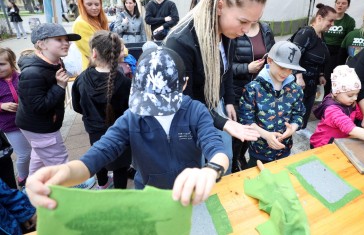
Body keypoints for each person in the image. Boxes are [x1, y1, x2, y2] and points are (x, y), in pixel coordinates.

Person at [26, 46, 229, 209]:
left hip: (190, 194)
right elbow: (97, 155)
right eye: (150, 100)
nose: (156, 109)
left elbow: (216, 147)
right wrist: (63, 173)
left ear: (184, 84)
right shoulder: (132, 118)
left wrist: (211, 170)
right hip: (149, 196)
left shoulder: (196, 111)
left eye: (164, 100)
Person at [164, 0, 265, 172]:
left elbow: (225, 70)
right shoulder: (180, 42)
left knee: (224, 160)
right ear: (220, 6)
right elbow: (184, 104)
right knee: (200, 167)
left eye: (253, 23)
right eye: (243, 21)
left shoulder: (229, 33)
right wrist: (222, 122)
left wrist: (228, 100)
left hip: (215, 106)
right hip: (189, 116)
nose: (246, 30)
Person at [15, 24, 96, 189]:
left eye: (66, 39)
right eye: (59, 39)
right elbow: (38, 106)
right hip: (41, 127)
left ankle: (30, 188)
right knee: (58, 158)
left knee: (38, 157)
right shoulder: (32, 73)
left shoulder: (56, 62)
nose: (65, 43)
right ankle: (71, 186)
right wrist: (59, 86)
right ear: (41, 44)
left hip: (41, 125)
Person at [72, 31, 132, 190]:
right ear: (118, 53)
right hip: (120, 131)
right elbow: (129, 109)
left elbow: (77, 106)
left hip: (94, 129)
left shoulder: (81, 79)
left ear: (94, 53)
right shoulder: (125, 82)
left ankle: (103, 184)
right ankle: (119, 193)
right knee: (121, 164)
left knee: (98, 157)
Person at [239, 41, 306, 166]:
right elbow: (245, 120)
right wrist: (266, 135)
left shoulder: (296, 90)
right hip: (258, 152)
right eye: (282, 67)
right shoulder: (253, 88)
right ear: (270, 60)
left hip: (284, 149)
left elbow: (299, 114)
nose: (286, 73)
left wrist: (293, 128)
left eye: (290, 69)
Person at [231, 21, 275, 172]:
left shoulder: (266, 29)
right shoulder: (235, 29)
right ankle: (234, 161)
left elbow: (273, 56)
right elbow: (224, 66)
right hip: (238, 91)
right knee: (239, 131)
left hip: (260, 91)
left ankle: (241, 156)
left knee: (254, 128)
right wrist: (246, 68)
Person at [290, 3, 337, 131]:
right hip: (299, 85)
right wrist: (298, 76)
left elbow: (321, 57)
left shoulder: (321, 35)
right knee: (293, 118)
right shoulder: (306, 32)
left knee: (302, 119)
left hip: (311, 84)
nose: (332, 24)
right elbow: (293, 55)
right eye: (331, 20)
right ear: (319, 18)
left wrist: (321, 74)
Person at [0, 48, 31, 189]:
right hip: (10, 125)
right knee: (24, 154)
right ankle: (23, 177)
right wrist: (2, 106)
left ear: (12, 63)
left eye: (2, 64)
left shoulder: (21, 77)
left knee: (35, 150)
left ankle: (35, 175)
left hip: (28, 121)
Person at [322, 0, 355, 94]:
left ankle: (326, 98)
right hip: (323, 47)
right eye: (338, 3)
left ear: (348, 6)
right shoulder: (329, 17)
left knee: (329, 76)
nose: (340, 5)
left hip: (337, 51)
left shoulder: (349, 21)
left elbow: (348, 39)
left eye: (343, 3)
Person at [72, 0, 109, 70]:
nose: (94, 8)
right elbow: (95, 53)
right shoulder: (80, 24)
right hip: (95, 70)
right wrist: (122, 51)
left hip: (104, 68)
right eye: (89, 4)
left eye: (97, 4)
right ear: (82, 5)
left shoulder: (99, 20)